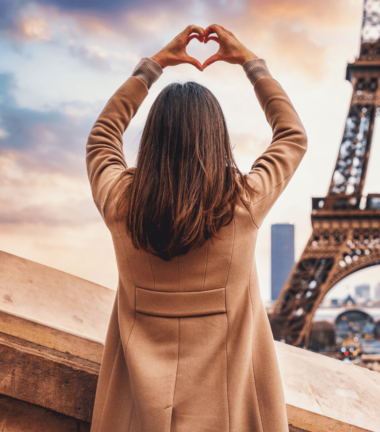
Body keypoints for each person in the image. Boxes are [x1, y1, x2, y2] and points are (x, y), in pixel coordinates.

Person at [85, 24, 307, 431]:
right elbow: (292, 136)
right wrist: (251, 64)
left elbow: (102, 138)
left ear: (151, 140)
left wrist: (152, 68)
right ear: (216, 139)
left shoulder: (120, 204)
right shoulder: (243, 203)